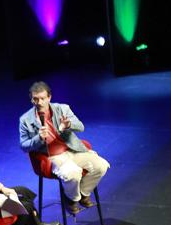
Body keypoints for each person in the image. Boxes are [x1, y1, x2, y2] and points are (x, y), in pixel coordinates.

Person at [18, 81, 110, 215]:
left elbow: (81, 126)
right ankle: (71, 199)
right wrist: (38, 138)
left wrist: (68, 125)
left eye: (42, 98)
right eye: (35, 99)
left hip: (72, 150)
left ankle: (83, 193)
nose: (39, 102)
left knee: (101, 166)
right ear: (31, 99)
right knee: (72, 174)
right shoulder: (25, 119)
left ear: (49, 97)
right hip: (53, 156)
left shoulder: (62, 109)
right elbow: (23, 146)